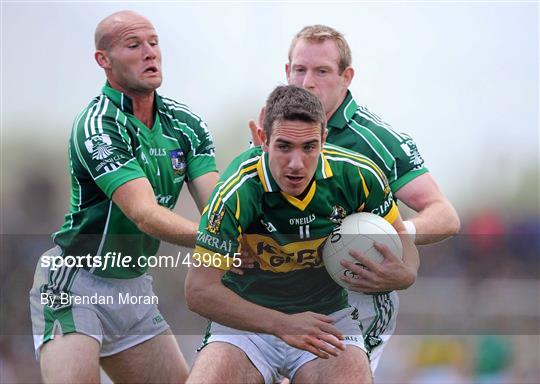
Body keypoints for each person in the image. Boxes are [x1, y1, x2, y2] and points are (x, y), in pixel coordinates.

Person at [248, 24, 460, 373]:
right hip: (283, 300)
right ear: (287, 72)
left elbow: (444, 214)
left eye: (322, 71)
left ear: (346, 77)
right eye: (299, 70)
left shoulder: (378, 140)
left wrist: (384, 235)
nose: (307, 82)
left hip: (357, 306)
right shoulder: (272, 130)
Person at [29, 11, 219, 383]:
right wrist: (217, 242)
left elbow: (218, 210)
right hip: (75, 282)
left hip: (133, 288)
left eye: (153, 42)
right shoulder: (98, 124)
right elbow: (144, 214)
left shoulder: (186, 124)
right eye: (134, 45)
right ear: (104, 60)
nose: (150, 53)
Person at [185, 85, 419, 384]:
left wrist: (407, 273)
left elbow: (401, 235)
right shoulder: (235, 191)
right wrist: (282, 324)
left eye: (309, 147)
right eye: (284, 146)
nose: (296, 163)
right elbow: (198, 292)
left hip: (326, 320)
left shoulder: (358, 174)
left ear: (323, 139)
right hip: (245, 325)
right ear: (263, 139)